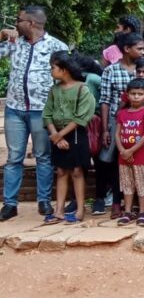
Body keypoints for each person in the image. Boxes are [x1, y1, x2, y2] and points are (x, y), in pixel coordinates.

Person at [1, 5, 69, 220]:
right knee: (14, 158)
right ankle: (10, 204)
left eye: (18, 20)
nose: (15, 24)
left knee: (43, 157)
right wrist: (1, 35)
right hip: (15, 109)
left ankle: (43, 201)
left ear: (30, 23)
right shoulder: (13, 43)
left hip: (42, 111)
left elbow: (68, 77)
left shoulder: (57, 46)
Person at [41, 51, 95, 225]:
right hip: (57, 133)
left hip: (76, 134)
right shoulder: (54, 90)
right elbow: (47, 114)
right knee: (62, 171)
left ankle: (80, 209)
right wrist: (55, 135)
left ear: (63, 70)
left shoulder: (82, 89)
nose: (51, 70)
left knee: (77, 171)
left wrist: (59, 135)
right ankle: (59, 210)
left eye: (53, 67)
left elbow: (81, 117)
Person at [97, 32, 144, 220]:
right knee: (117, 163)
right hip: (118, 122)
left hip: (141, 121)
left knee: (140, 162)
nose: (143, 52)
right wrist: (105, 129)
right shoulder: (111, 71)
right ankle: (117, 201)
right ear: (126, 49)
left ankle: (139, 205)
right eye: (139, 48)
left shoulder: (143, 69)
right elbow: (105, 101)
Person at [115, 79, 144, 226]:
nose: (136, 97)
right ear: (127, 95)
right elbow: (117, 134)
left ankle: (142, 212)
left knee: (142, 184)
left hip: (140, 155)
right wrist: (122, 150)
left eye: (140, 94)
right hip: (124, 156)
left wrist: (131, 150)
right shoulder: (122, 113)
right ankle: (127, 212)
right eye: (133, 94)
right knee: (127, 185)